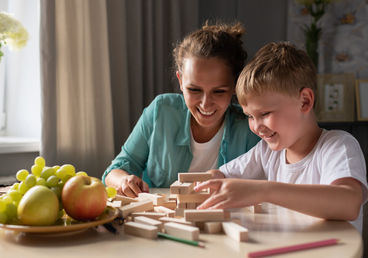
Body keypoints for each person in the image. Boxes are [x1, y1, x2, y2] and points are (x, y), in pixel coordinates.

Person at [194, 41, 368, 233]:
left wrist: (264, 191)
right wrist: (207, 181)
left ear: (304, 101)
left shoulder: (338, 145)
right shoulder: (266, 151)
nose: (256, 126)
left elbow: (349, 203)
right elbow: (223, 175)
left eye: (265, 114)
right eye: (250, 116)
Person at [102, 22, 260, 197]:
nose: (205, 103)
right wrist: (123, 181)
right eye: (194, 90)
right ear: (180, 81)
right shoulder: (161, 110)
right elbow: (115, 171)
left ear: (235, 85)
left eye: (219, 91)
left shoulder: (250, 126)